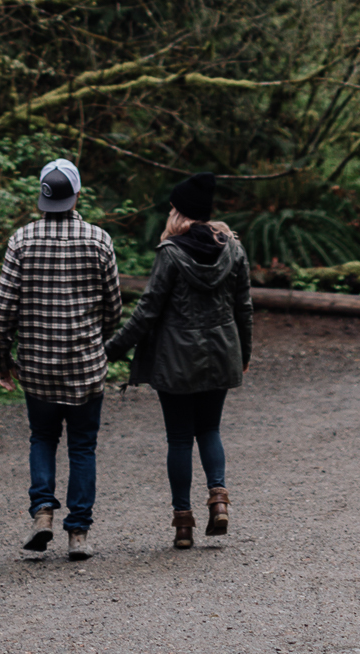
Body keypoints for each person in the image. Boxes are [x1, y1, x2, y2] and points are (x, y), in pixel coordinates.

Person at [103, 170, 252, 549]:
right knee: (210, 430)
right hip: (221, 353)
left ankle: (183, 523)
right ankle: (218, 497)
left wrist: (109, 350)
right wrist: (244, 353)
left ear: (179, 213)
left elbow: (148, 310)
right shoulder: (233, 249)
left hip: (176, 359)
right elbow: (243, 307)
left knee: (180, 439)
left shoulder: (171, 254)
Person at [0, 155, 122, 561]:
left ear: (41, 197)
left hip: (38, 370)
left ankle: (42, 512)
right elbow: (114, 309)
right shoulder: (99, 240)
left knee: (43, 438)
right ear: (77, 196)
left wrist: (2, 361)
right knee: (82, 447)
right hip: (85, 367)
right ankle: (78, 533)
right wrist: (97, 342)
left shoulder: (21, 241)